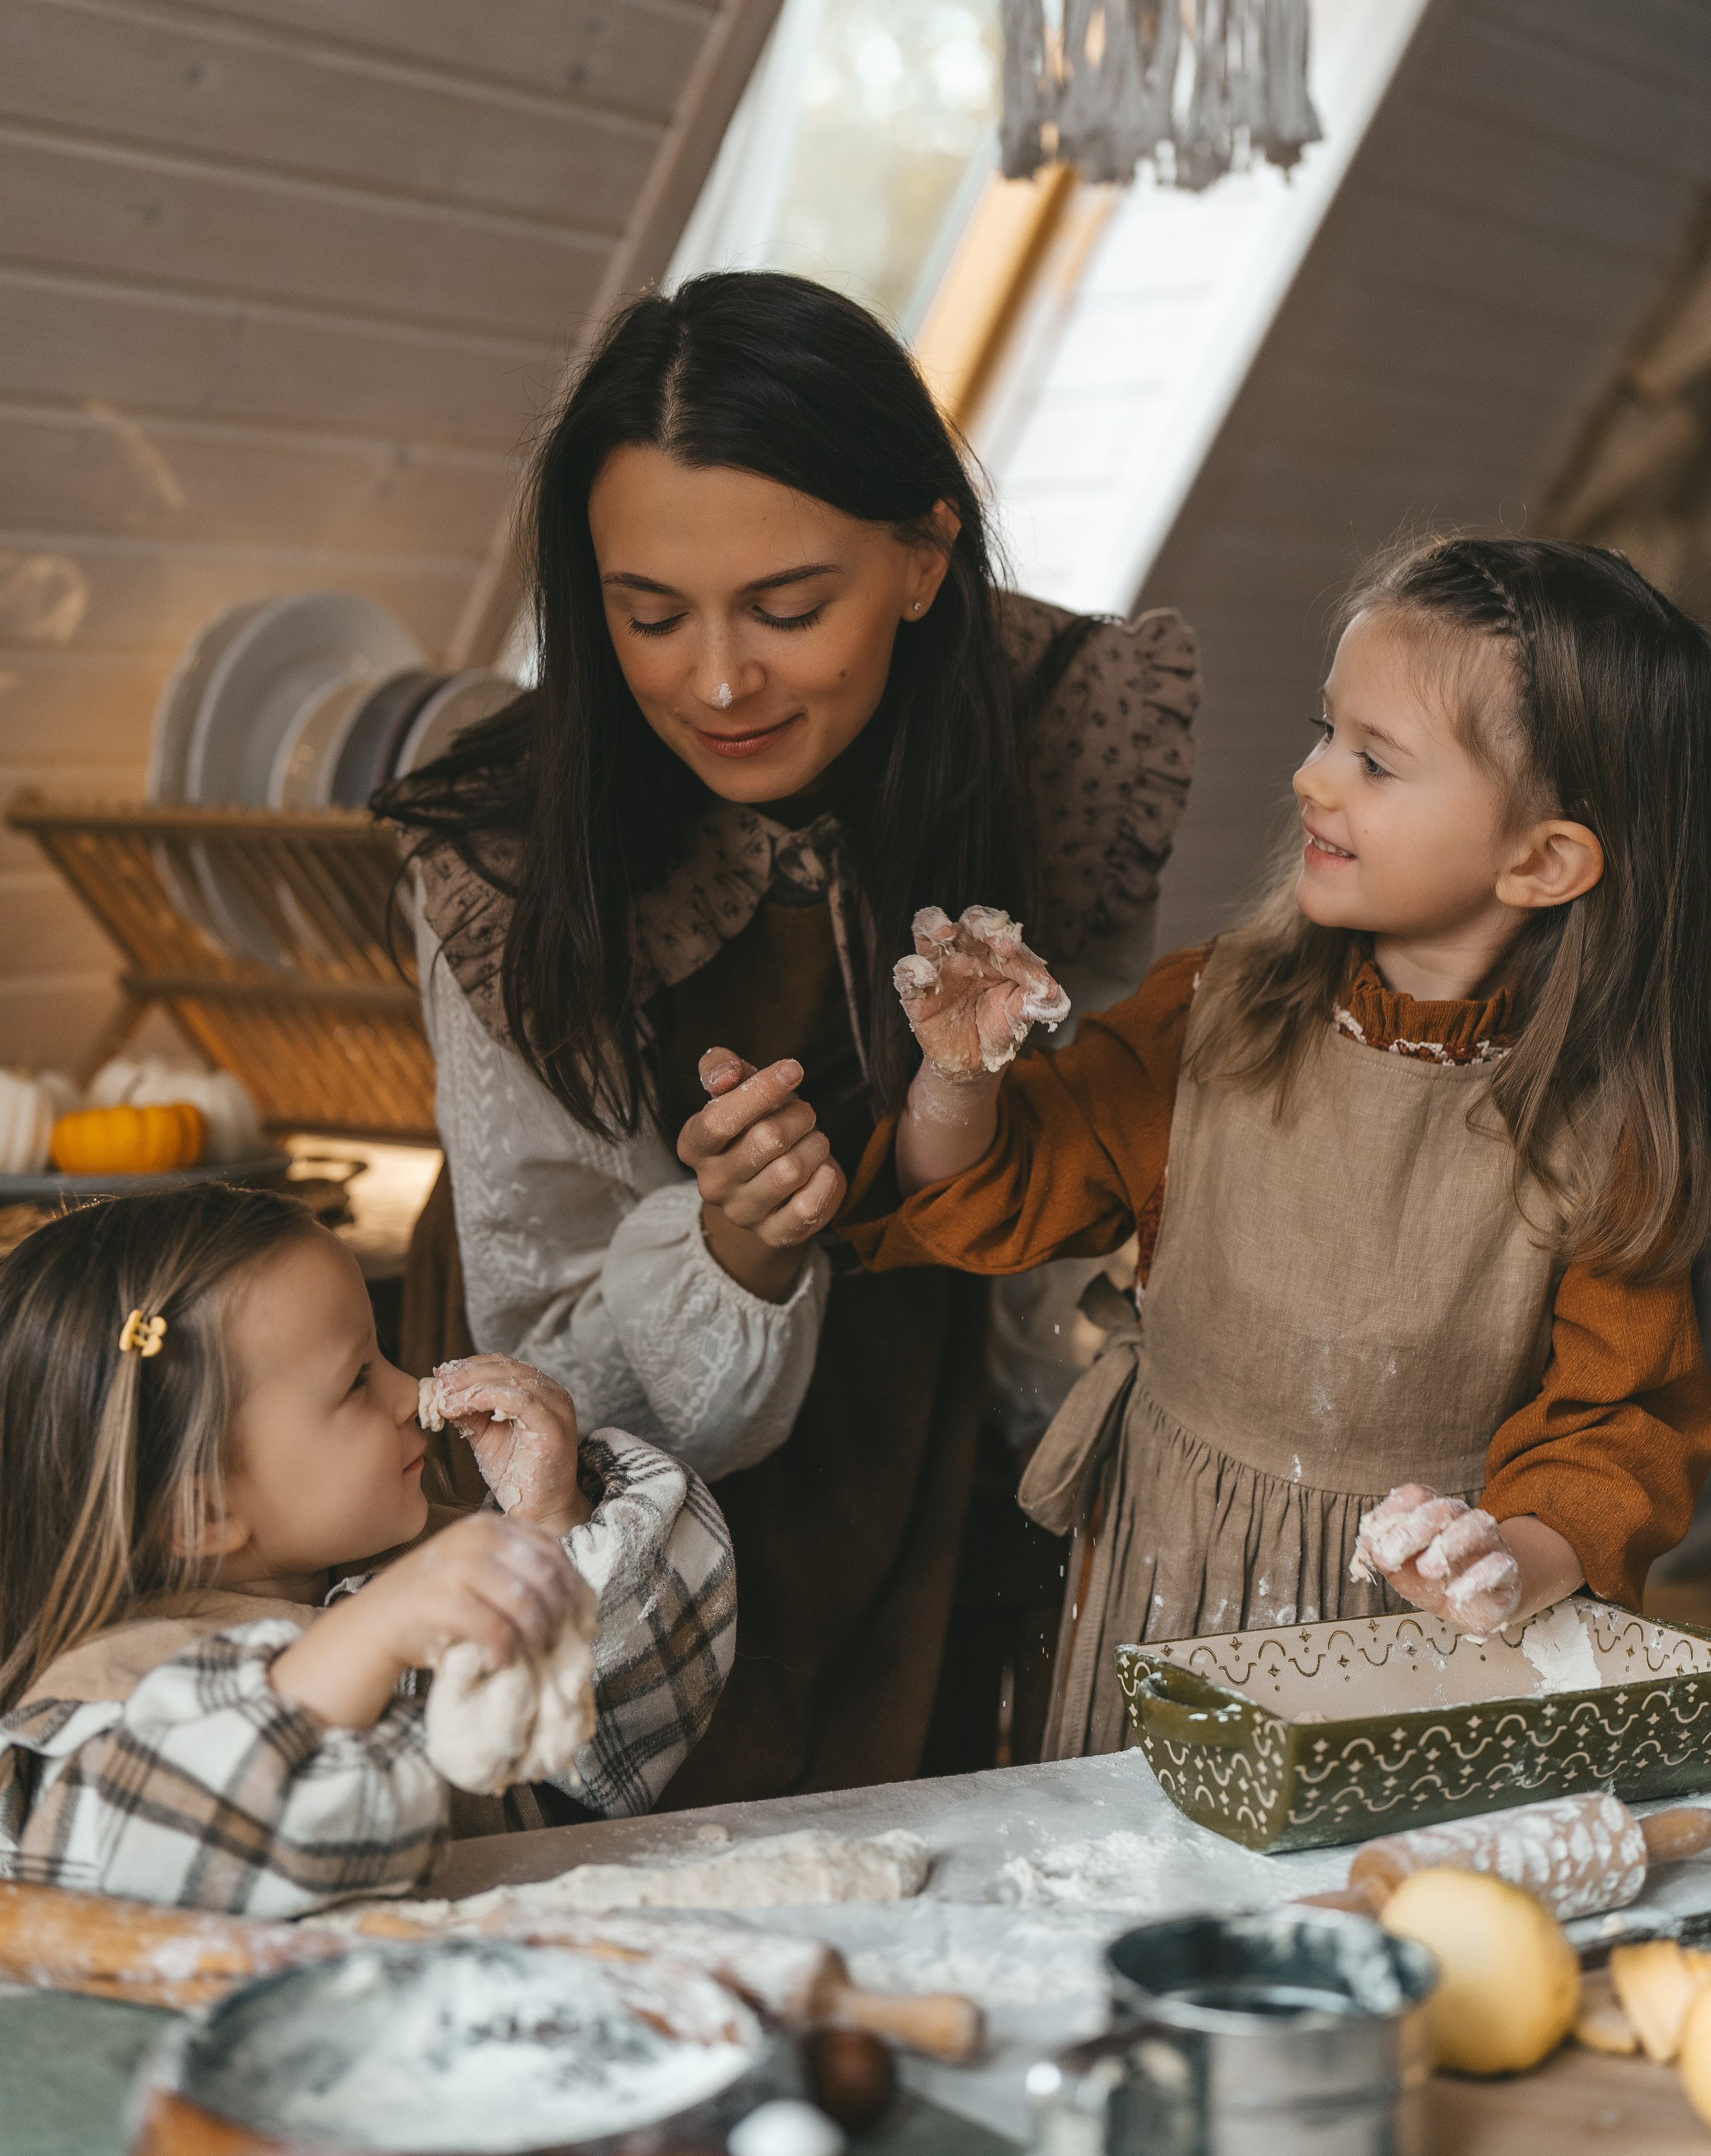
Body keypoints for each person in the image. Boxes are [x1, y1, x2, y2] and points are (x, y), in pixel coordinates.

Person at [382, 269, 1198, 1797]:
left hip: (919, 1443)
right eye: (646, 613)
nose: (716, 680)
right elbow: (552, 1367)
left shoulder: (1059, 742)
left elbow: (1071, 1207)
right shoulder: (504, 846)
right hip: (590, 1465)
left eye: (787, 607)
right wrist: (725, 1256)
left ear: (918, 556)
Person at [835, 537, 1711, 1758]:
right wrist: (957, 1069)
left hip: (1407, 1660)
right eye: (1323, 732)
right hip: (1161, 1589)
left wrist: (1504, 1560)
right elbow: (980, 1193)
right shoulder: (1216, 1019)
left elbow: (1618, 1438)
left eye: (1374, 761)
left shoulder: (1608, 1136)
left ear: (1542, 860)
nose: (1311, 779)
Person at [0, 1186, 734, 1911]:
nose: (409, 1387)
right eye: (356, 1380)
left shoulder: (415, 1562)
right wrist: (365, 1641)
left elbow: (626, 1736)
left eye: (381, 1353)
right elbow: (137, 1847)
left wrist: (549, 1522)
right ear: (204, 1510)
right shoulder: (111, 1686)